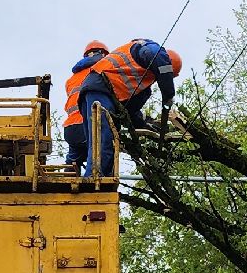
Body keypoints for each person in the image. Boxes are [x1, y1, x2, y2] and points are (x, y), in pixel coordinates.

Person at [75, 37, 183, 178]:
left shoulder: (142, 82)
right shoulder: (152, 49)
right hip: (101, 89)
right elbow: (157, 58)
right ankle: (95, 179)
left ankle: (101, 177)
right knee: (102, 140)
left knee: (104, 141)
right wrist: (168, 96)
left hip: (95, 90)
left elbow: (131, 111)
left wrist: (147, 126)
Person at [62, 40, 110, 173]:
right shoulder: (102, 70)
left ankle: (66, 185)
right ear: (103, 54)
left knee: (73, 161)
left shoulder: (71, 79)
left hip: (71, 128)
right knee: (102, 156)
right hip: (89, 126)